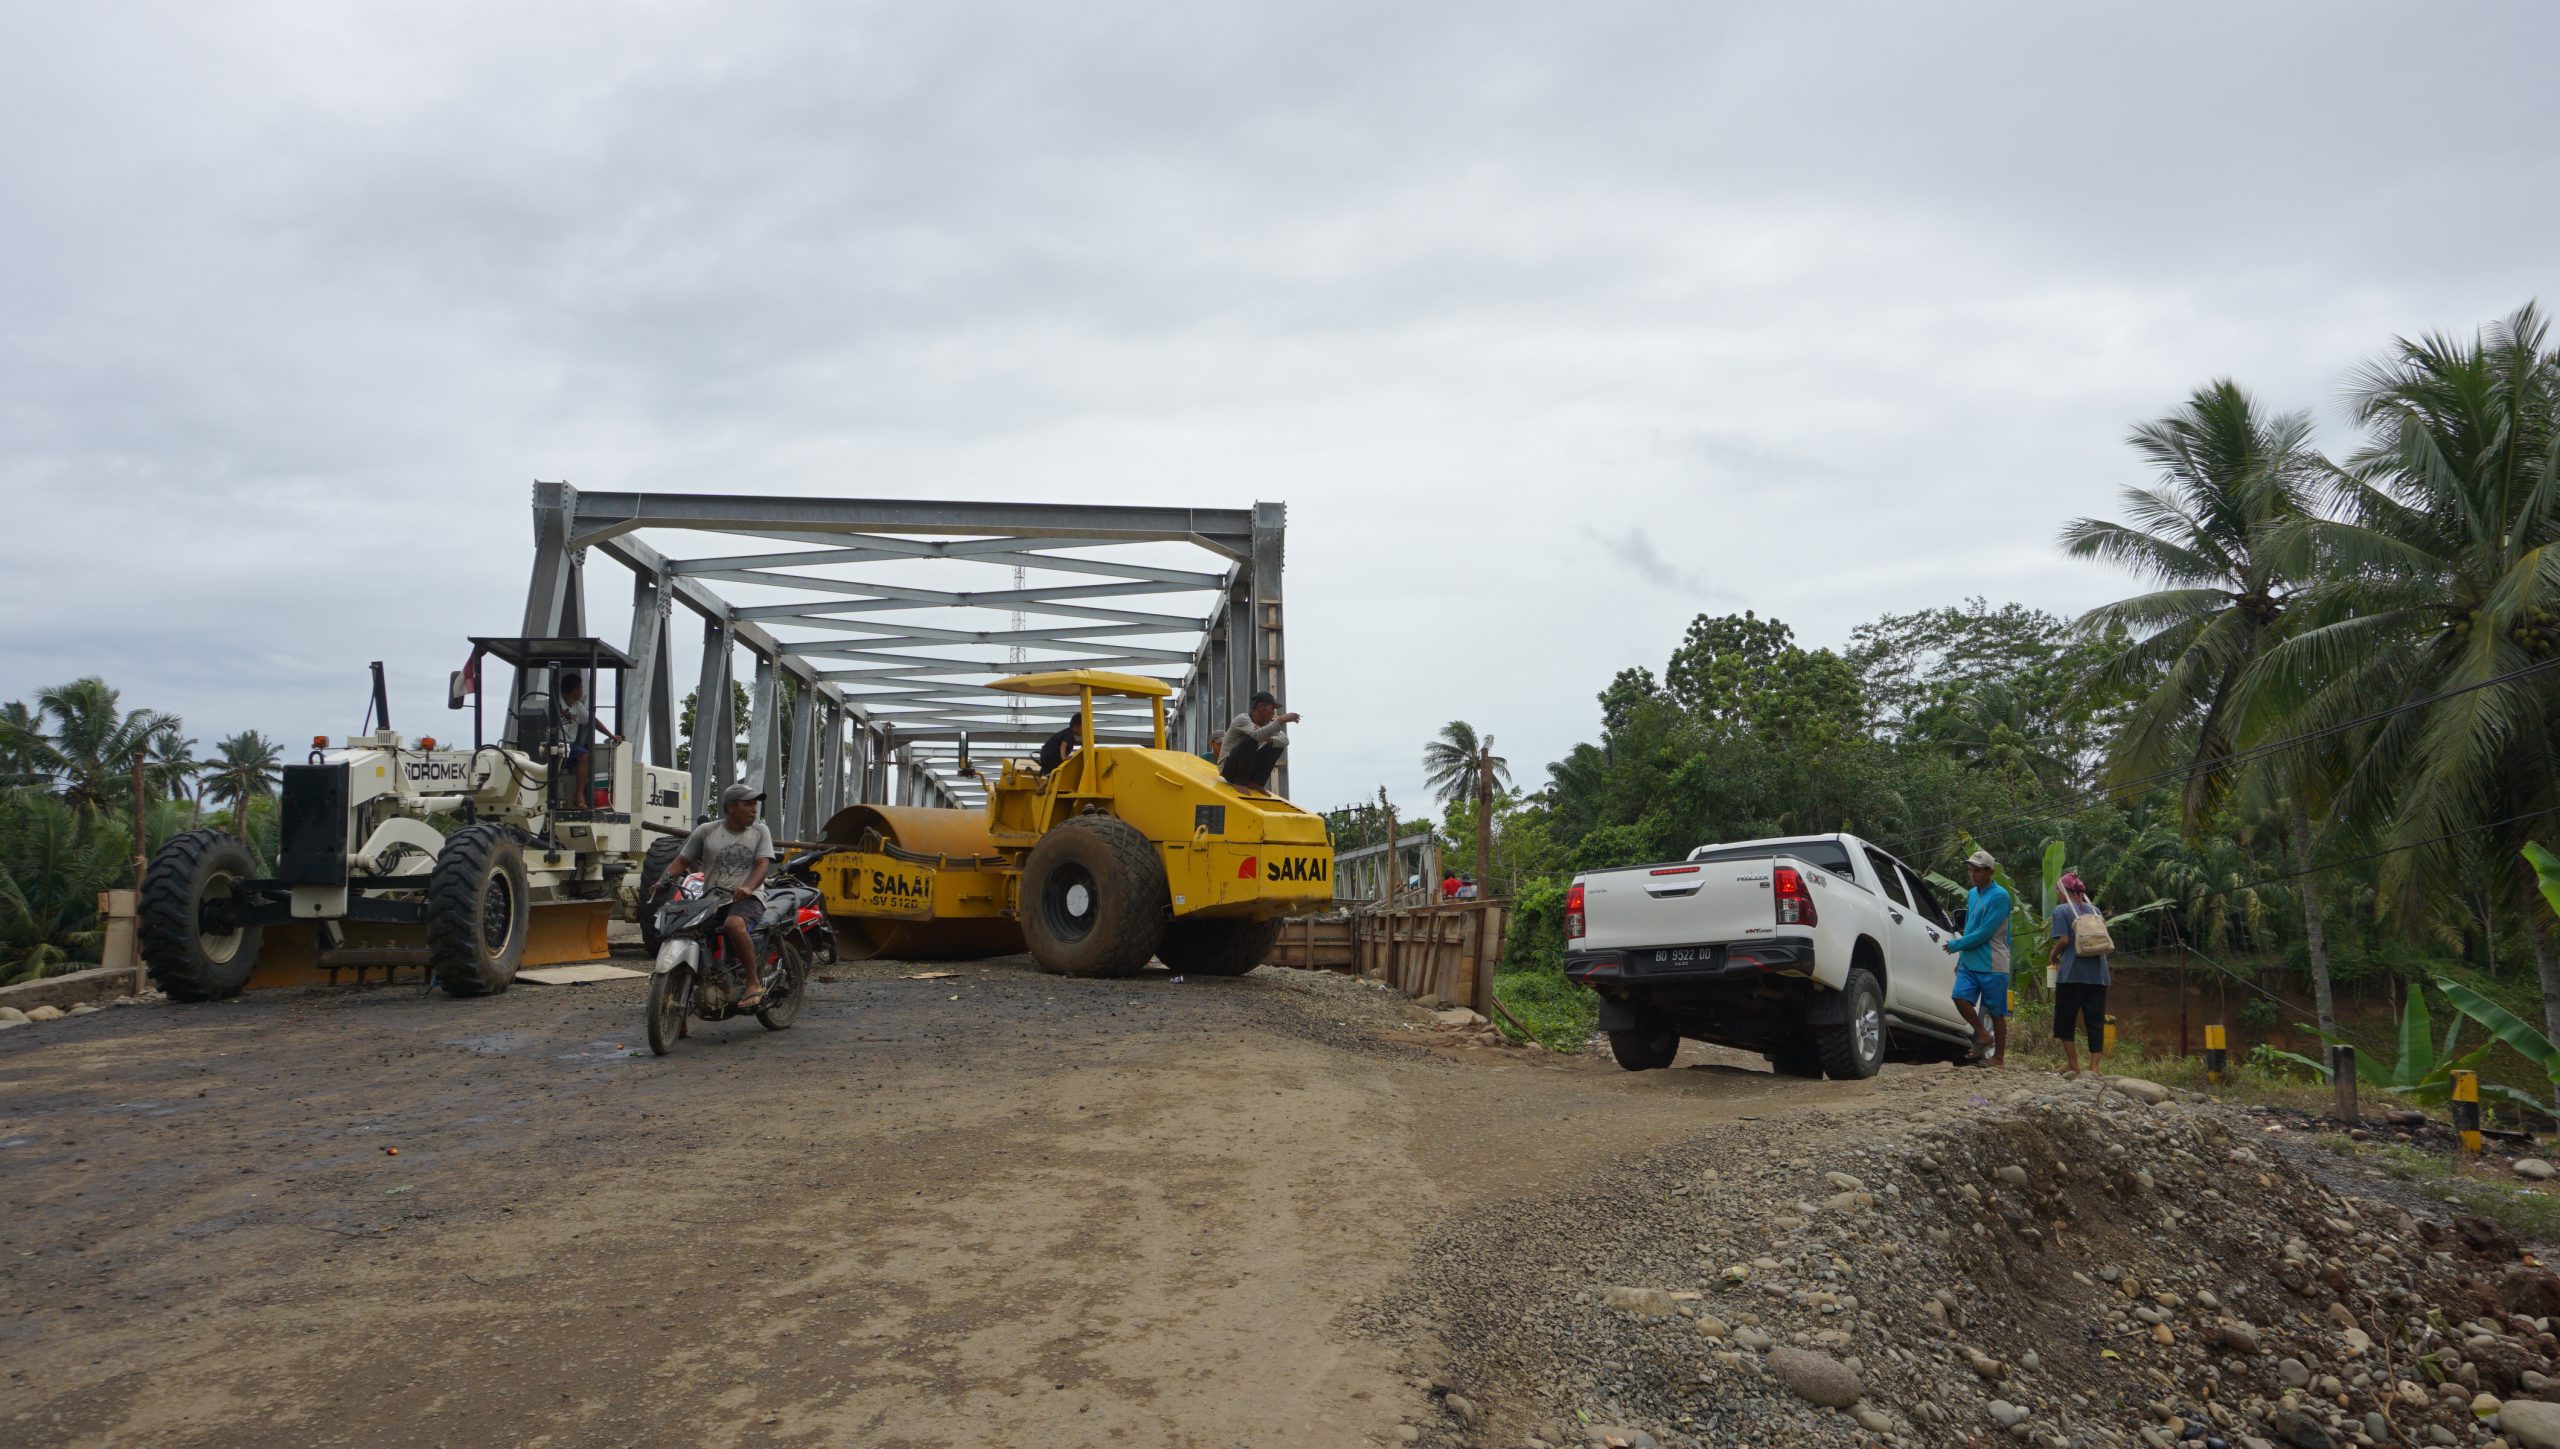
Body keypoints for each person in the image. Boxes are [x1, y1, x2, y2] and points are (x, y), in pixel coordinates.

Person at [658, 783, 779, 1008]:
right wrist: (662, 880)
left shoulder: (760, 831)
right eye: (748, 804)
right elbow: (681, 861)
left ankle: (753, 982)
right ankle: (677, 1005)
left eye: (755, 804)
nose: (754, 809)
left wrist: (749, 888)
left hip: (749, 899)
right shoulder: (707, 831)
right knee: (684, 933)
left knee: (734, 925)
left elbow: (763, 865)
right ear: (731, 807)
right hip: (713, 900)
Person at [1941, 848, 2013, 1066]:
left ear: (1990, 872)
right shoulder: (1972, 894)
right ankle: (1982, 1034)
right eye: (1971, 870)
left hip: (1993, 961)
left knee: (1997, 1012)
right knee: (1959, 997)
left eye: (1978, 871)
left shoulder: (2000, 896)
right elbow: (1971, 926)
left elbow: (1985, 932)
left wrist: (1956, 945)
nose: (1973, 875)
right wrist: (1961, 957)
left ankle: (1999, 1057)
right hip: (1970, 960)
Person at [2048, 871, 2111, 1077]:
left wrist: (2053, 953)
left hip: (2071, 975)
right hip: (2098, 976)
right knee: (2095, 1021)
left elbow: (2064, 940)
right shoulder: (2095, 910)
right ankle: (2094, 1067)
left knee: (2065, 1020)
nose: (2057, 894)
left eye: (2058, 890)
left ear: (2064, 891)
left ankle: (2073, 1064)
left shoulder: (2061, 910)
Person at [556, 672, 621, 810]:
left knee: (584, 755)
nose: (582, 691)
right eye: (580, 688)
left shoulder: (577, 706)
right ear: (575, 690)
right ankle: (578, 796)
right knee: (583, 755)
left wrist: (611, 735)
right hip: (553, 742)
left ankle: (578, 794)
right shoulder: (555, 702)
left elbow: (593, 721)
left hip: (568, 746)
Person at [1218, 690, 1300, 790]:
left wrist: (1268, 738)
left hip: (1246, 768)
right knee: (1251, 741)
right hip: (1228, 769)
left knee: (1277, 746)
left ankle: (1256, 782)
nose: (1273, 712)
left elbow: (1285, 740)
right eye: (1272, 708)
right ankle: (1239, 782)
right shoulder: (1243, 719)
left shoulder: (1267, 724)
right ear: (1261, 707)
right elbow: (1256, 736)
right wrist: (1281, 720)